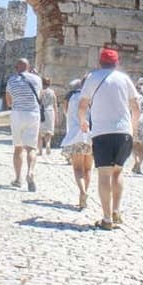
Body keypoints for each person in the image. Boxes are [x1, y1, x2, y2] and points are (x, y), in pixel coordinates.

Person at [78, 48, 140, 230]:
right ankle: (116, 211)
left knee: (104, 174)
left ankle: (106, 218)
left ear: (100, 62)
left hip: (101, 132)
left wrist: (83, 122)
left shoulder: (92, 78)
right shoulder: (124, 79)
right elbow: (136, 107)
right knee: (118, 172)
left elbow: (82, 105)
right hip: (123, 132)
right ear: (116, 63)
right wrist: (133, 129)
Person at [5, 58, 43, 192]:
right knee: (32, 148)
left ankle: (18, 179)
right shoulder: (37, 80)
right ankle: (31, 172)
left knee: (18, 148)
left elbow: (9, 102)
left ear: (17, 68)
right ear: (28, 67)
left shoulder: (11, 80)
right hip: (33, 114)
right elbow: (40, 96)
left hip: (17, 114)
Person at [58, 78, 92, 209]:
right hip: (89, 136)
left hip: (74, 136)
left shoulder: (71, 98)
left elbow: (66, 114)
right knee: (88, 168)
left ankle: (82, 192)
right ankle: (85, 194)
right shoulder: (91, 99)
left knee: (77, 169)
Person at [37, 78, 59, 156]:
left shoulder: (40, 91)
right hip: (50, 112)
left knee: (39, 133)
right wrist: (57, 117)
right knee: (48, 132)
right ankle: (48, 144)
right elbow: (55, 105)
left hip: (41, 112)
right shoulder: (52, 92)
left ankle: (40, 151)